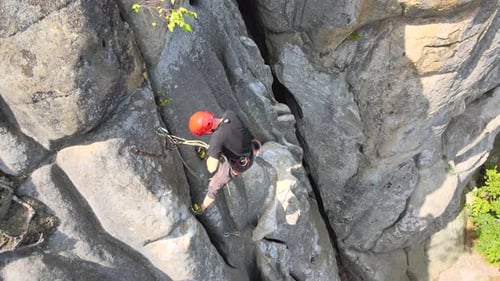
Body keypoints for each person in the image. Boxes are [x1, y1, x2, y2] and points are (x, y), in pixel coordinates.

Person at [188, 110, 260, 215]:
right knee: (219, 146)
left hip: (239, 163)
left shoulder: (217, 139)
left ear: (207, 131)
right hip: (248, 146)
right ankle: (214, 154)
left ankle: (201, 208)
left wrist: (211, 157)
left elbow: (211, 168)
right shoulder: (231, 114)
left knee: (214, 185)